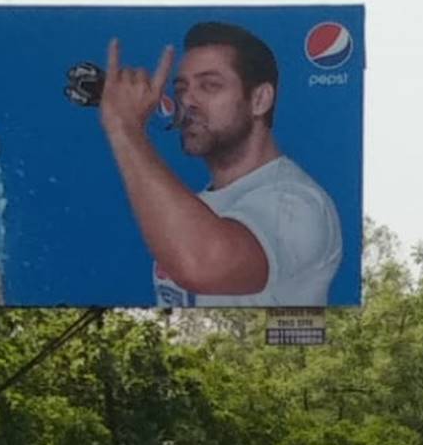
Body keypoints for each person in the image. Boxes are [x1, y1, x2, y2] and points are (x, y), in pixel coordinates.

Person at [98, 23, 343, 307]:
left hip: (265, 352)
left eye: (209, 86)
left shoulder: (299, 203)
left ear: (260, 99)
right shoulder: (194, 209)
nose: (187, 101)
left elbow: (201, 264)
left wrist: (124, 128)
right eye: (181, 89)